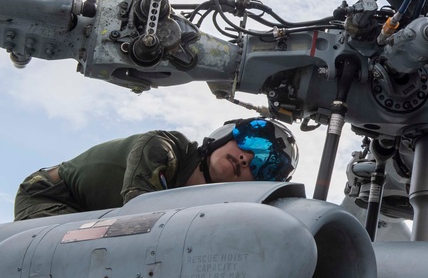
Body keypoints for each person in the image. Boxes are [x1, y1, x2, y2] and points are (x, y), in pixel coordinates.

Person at [14, 118, 299, 221]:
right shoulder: (162, 149)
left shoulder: (204, 209)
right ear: (227, 134)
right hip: (49, 196)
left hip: (90, 217)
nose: (248, 159)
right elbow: (138, 219)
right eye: (252, 142)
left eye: (266, 167)